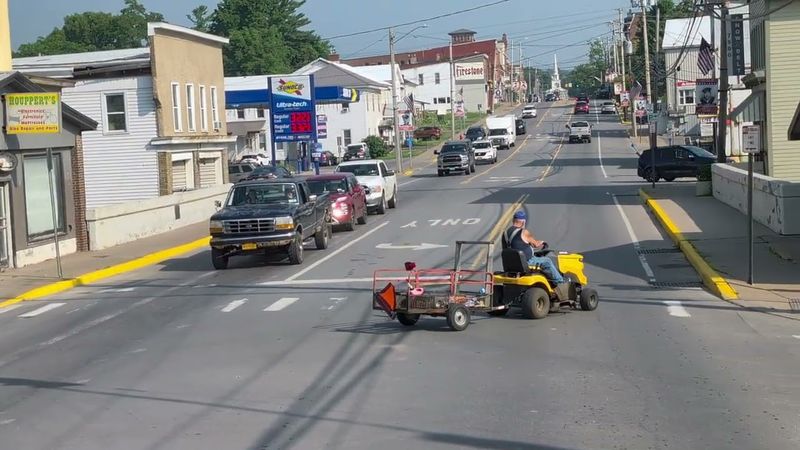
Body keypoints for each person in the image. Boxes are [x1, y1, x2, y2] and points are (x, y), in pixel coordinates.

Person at [502, 210, 565, 284]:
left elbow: (512, 246)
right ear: (523, 222)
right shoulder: (524, 232)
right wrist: (541, 242)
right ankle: (560, 282)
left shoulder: (505, 233)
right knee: (547, 261)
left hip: (510, 264)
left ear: (513, 220)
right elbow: (535, 244)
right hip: (526, 262)